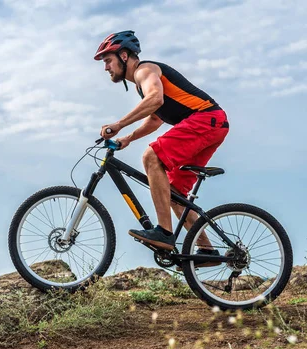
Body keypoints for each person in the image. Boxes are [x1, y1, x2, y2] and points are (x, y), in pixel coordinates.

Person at [94, 30, 229, 262]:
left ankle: (164, 233)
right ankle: (207, 251)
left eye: (108, 60)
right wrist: (128, 137)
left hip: (207, 120)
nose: (105, 67)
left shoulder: (145, 70)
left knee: (151, 157)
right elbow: (156, 118)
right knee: (175, 194)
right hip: (213, 124)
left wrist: (119, 124)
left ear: (124, 56)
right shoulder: (141, 83)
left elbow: (155, 99)